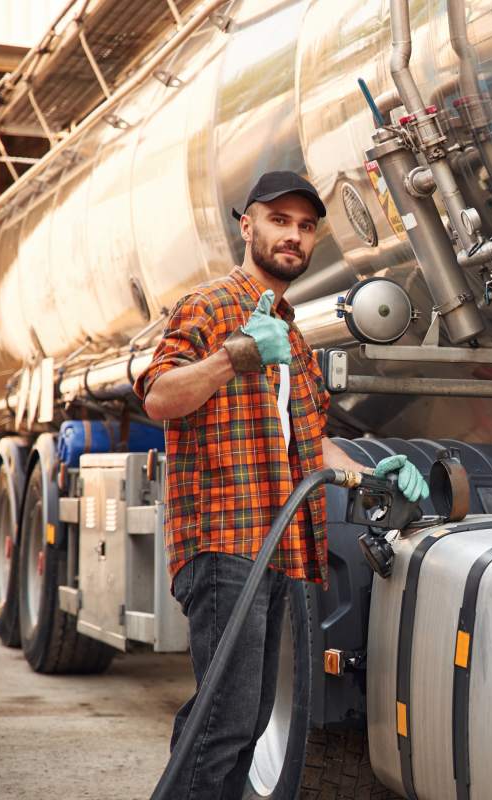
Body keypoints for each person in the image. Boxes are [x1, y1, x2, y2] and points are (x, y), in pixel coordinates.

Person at [133, 171, 427, 799]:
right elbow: (159, 397)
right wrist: (233, 356)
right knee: (225, 721)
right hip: (225, 544)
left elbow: (310, 442)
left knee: (248, 721)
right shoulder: (210, 307)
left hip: (280, 549)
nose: (293, 236)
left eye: (305, 226)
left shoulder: (290, 333)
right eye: (279, 221)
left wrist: (374, 470)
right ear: (248, 226)